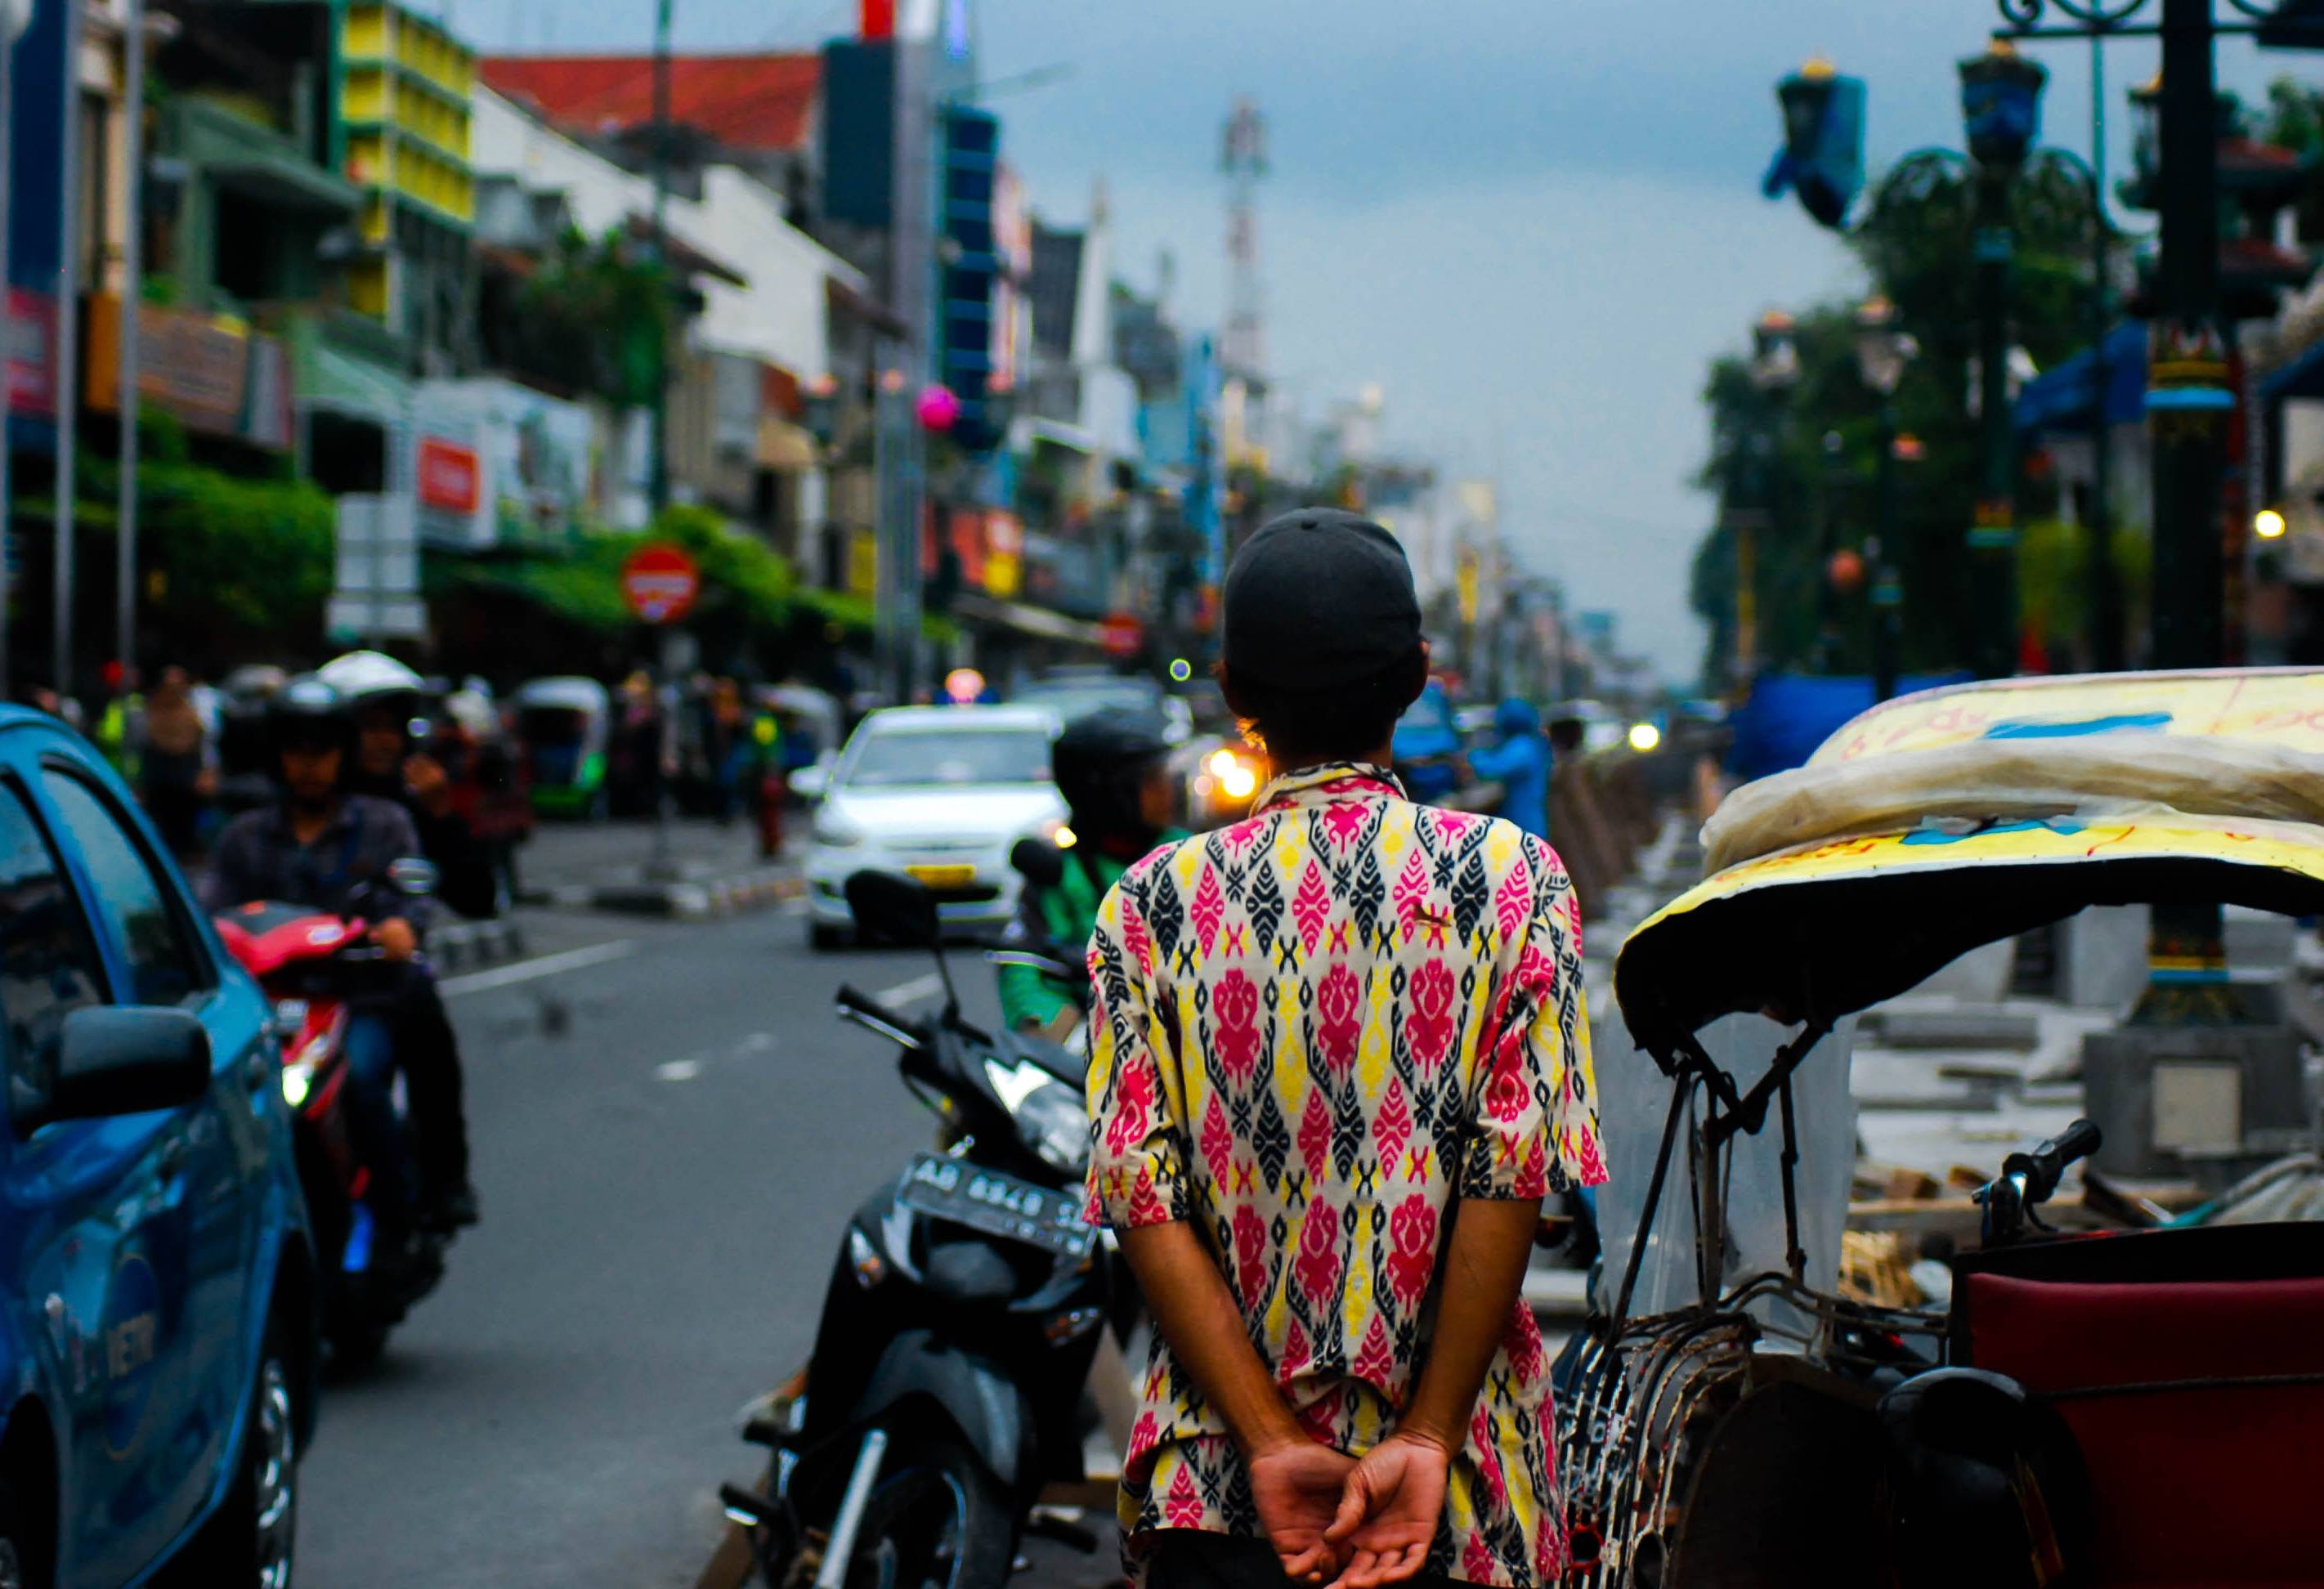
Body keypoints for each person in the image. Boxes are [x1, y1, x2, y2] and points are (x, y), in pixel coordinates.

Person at [1083, 508, 1605, 1589]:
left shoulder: (1148, 908)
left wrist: (1272, 1441)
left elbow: (1143, 1199)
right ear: (1416, 678)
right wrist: (1422, 1434)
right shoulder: (1506, 882)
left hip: (1224, 1503)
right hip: (1459, 1503)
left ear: (1232, 692)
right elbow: (1507, 1176)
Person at [200, 678, 441, 1293]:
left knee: (360, 1083)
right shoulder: (244, 837)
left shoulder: (385, 826)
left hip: (357, 1001)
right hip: (266, 1009)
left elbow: (410, 905)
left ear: (344, 753)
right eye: (297, 749)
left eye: (322, 749)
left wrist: (397, 929)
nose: (309, 765)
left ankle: (397, 1223)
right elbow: (209, 917)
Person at [316, 650, 485, 1232]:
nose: (381, 742)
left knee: (425, 1026)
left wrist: (441, 814)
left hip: (380, 979)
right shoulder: (288, 804)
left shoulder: (406, 809)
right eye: (368, 726)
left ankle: (444, 1179)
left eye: (391, 727)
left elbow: (478, 896)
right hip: (297, 980)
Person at [998, 708, 1184, 1039]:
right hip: (1087, 1043)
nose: (1167, 789)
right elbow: (1022, 966)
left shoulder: (1190, 857)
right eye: (1152, 779)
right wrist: (1051, 1031)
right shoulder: (1057, 873)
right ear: (1110, 791)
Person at [138, 666, 217, 857]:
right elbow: (146, 748)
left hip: (185, 779)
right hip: (161, 779)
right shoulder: (152, 712)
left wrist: (205, 772)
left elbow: (201, 745)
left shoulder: (190, 713)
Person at [1465, 696, 1551, 840]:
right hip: (1527, 820)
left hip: (1524, 823)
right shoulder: (1532, 743)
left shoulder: (1523, 746)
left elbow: (1493, 767)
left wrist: (1470, 759)